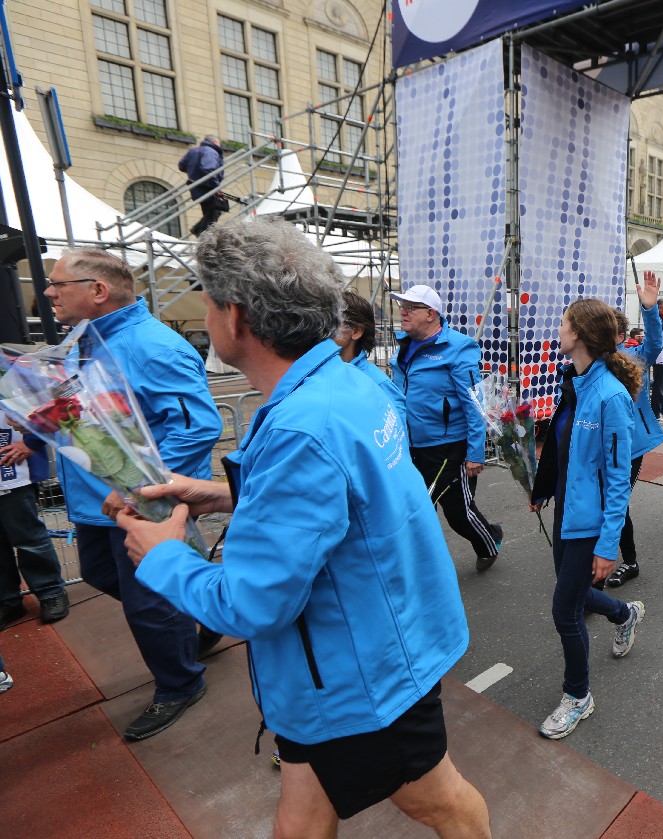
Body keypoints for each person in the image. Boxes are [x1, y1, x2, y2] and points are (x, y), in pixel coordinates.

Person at [115, 220, 490, 838]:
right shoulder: (348, 383)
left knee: (440, 802)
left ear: (235, 316)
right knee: (302, 813)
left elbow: (252, 603)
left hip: (358, 674)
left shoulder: (301, 424)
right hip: (352, 655)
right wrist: (225, 494)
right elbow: (349, 497)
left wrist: (163, 557)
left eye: (207, 303)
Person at [45, 248, 221, 741]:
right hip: (96, 502)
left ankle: (180, 683)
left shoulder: (152, 346)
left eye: (59, 284)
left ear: (98, 291)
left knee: (148, 605)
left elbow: (196, 427)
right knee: (101, 574)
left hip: (139, 504)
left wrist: (138, 492)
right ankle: (193, 612)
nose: (49, 292)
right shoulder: (85, 340)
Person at [529, 298, 645, 740]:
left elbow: (618, 479)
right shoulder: (575, 381)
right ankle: (624, 614)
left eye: (563, 323)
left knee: (565, 610)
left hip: (590, 523)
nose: (558, 330)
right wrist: (543, 489)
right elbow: (565, 453)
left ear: (577, 333)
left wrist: (607, 544)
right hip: (566, 511)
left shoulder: (611, 396)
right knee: (574, 595)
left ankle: (578, 696)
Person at [390, 285, 502, 572]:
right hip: (410, 446)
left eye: (411, 307)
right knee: (417, 509)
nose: (403, 312)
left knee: (458, 512)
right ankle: (421, 569)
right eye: (402, 306)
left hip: (448, 447)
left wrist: (475, 453)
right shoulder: (403, 346)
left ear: (431, 314)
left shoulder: (458, 348)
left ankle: (489, 542)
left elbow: (475, 405)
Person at [606, 272, 663, 589]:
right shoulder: (587, 363)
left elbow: (655, 343)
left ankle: (628, 561)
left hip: (629, 447)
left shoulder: (634, 359)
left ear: (619, 336)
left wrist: (650, 309)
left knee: (616, 503)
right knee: (602, 502)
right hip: (598, 445)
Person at [0, 412, 70, 630]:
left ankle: (51, 593)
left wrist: (32, 442)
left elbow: (44, 410)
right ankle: (8, 600)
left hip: (13, 471)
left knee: (28, 537)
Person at [335, 290, 404, 418]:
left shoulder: (377, 382)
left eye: (334, 322)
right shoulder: (325, 371)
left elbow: (398, 421)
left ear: (356, 331)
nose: (324, 329)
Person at [178, 135, 226, 236]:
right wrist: (216, 187)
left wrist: (193, 171)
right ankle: (199, 230)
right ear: (214, 142)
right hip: (207, 185)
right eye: (219, 143)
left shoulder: (193, 150)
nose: (220, 146)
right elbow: (208, 169)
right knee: (216, 209)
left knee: (210, 210)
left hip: (195, 185)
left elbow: (182, 165)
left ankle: (203, 232)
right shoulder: (211, 151)